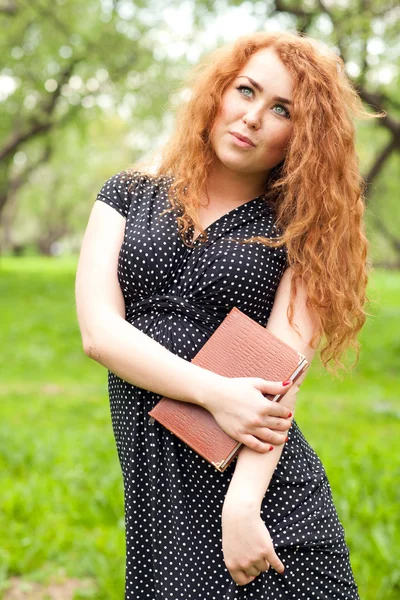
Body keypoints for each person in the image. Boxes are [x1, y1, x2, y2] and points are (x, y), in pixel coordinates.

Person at [76, 30, 374, 599]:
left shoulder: (302, 231)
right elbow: (99, 332)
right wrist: (213, 392)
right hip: (160, 491)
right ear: (218, 92)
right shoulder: (129, 193)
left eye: (281, 108)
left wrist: (242, 507)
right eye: (246, 90)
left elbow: (279, 375)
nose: (253, 116)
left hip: (261, 496)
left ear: (303, 135)